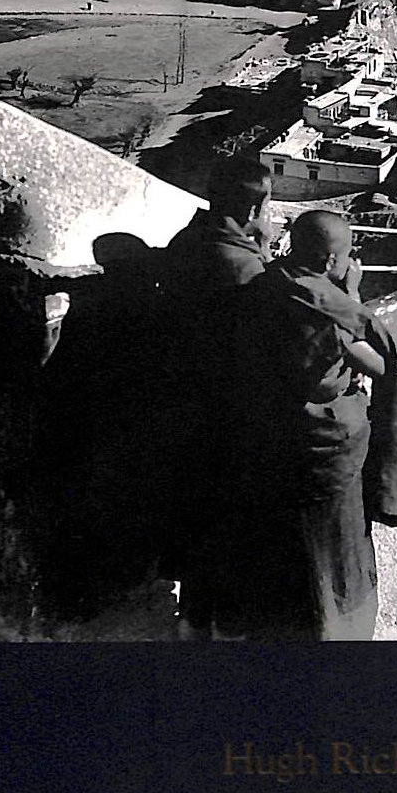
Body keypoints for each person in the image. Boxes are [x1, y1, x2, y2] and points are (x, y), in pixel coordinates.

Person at [188, 210, 397, 641]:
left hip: (265, 439)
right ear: (331, 261)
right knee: (330, 552)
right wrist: (352, 295)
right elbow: (382, 366)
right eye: (346, 256)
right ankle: (330, 628)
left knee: (278, 546)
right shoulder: (332, 311)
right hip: (322, 452)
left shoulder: (261, 286)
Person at [150, 160, 275, 634]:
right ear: (255, 205)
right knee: (222, 525)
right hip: (222, 415)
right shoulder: (242, 268)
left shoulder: (188, 242)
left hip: (180, 401)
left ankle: (194, 616)